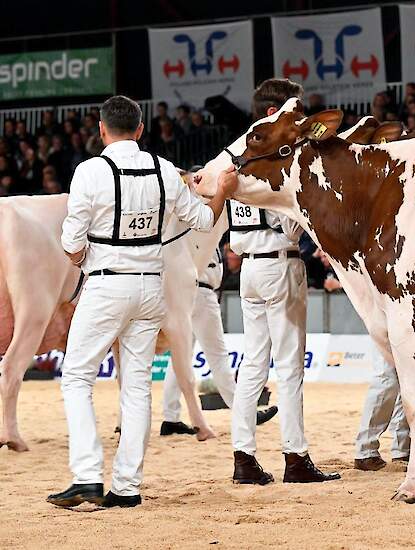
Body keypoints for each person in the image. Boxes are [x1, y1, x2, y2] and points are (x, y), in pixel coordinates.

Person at [48, 95, 235, 509]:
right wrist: (220, 192)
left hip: (106, 284)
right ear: (140, 129)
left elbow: (70, 241)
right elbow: (204, 221)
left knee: (77, 376)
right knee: (136, 386)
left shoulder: (90, 171)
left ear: (101, 130)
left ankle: (86, 477)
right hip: (151, 287)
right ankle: (127, 486)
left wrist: (81, 258)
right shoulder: (164, 169)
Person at [228, 78, 339, 485]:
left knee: (253, 364)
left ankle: (244, 457)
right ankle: (295, 457)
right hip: (280, 260)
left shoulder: (236, 156)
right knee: (289, 366)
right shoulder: (280, 156)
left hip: (249, 268)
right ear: (278, 111)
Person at [160, 245, 279, 435]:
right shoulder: (200, 232)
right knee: (218, 357)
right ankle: (245, 413)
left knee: (180, 356)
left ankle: (171, 417)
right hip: (201, 292)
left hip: (186, 292)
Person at [352, 350, 411, 471]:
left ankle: (402, 450)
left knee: (410, 380)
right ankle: (366, 452)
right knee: (386, 376)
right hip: (388, 331)